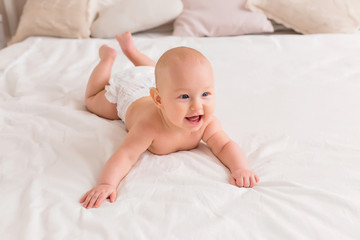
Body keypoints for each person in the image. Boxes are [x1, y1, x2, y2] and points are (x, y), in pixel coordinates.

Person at [80, 32, 259, 209]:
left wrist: (240, 168)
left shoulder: (207, 122)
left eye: (205, 94)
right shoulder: (148, 127)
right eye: (184, 97)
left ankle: (131, 51)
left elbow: (224, 145)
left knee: (157, 73)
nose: (197, 106)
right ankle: (107, 59)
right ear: (158, 100)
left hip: (152, 80)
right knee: (92, 100)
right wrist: (107, 184)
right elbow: (126, 155)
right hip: (131, 92)